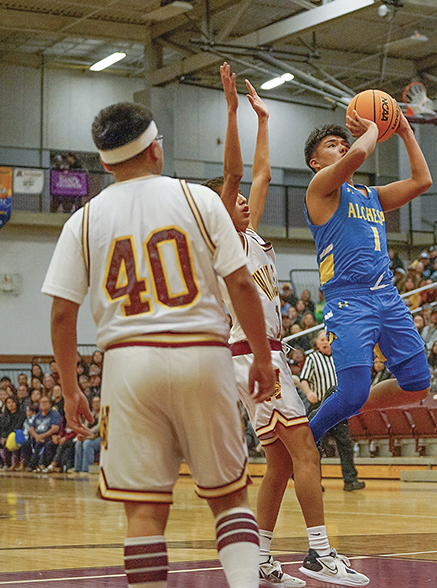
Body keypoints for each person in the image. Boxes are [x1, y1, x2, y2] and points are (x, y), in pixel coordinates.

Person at [43, 101, 276, 588]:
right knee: (229, 499)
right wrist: (259, 354)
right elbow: (240, 284)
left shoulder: (82, 221)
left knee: (145, 512)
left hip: (128, 365)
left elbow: (63, 313)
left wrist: (69, 390)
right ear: (155, 150)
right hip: (203, 352)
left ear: (105, 163)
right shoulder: (199, 199)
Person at [211, 65, 366, 587]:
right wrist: (233, 114)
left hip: (256, 356)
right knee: (304, 450)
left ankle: (259, 561)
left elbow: (259, 176)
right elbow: (238, 176)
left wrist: (263, 121)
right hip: (252, 355)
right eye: (231, 202)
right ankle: (320, 554)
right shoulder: (220, 243)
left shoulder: (250, 237)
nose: (243, 203)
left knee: (279, 463)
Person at [303, 104, 432, 445]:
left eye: (343, 144)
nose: (342, 147)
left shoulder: (371, 196)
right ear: (315, 163)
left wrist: (404, 131)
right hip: (349, 299)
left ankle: (351, 403)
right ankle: (306, 440)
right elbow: (360, 152)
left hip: (386, 295)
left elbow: (423, 180)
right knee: (350, 394)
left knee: (417, 384)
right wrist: (374, 128)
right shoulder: (320, 188)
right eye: (332, 145)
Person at [300, 331, 367, 493]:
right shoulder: (312, 358)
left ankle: (350, 480)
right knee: (316, 447)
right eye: (322, 340)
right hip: (320, 409)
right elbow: (304, 380)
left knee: (345, 445)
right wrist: (309, 393)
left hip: (339, 410)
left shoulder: (340, 357)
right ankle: (314, 482)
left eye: (327, 339)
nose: (325, 342)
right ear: (317, 343)